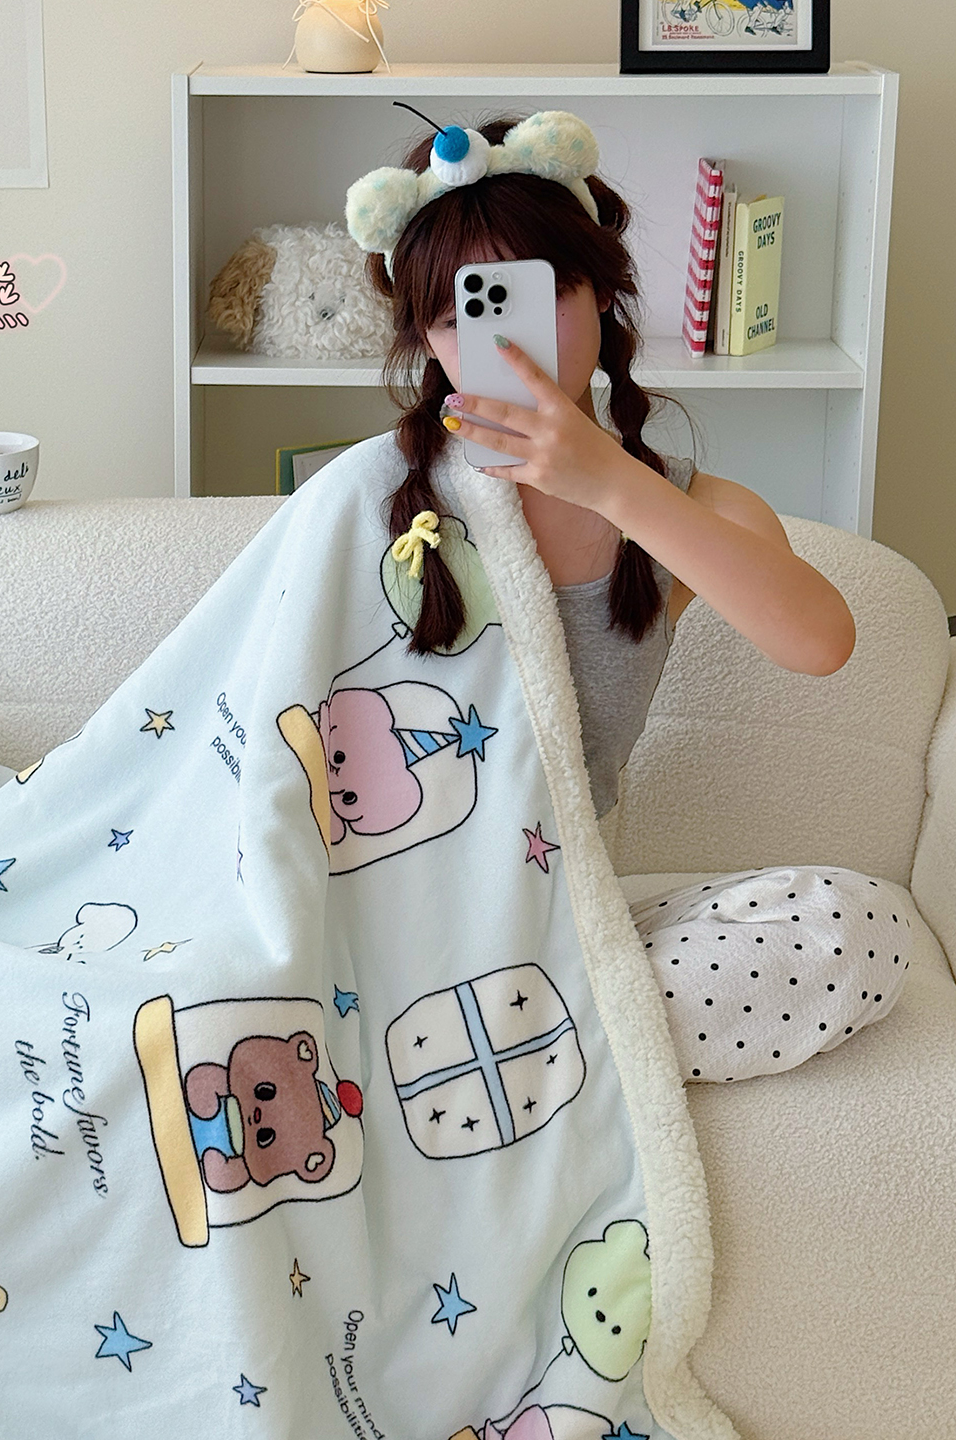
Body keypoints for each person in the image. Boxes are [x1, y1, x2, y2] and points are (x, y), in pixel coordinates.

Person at [346, 110, 917, 1084]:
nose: (503, 335)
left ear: (601, 293)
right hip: (375, 919)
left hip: (559, 930)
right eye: (459, 313)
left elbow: (820, 642)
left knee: (861, 925)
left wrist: (610, 483)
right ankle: (507, 1060)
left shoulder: (682, 510)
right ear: (429, 340)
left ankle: (508, 1058)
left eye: (537, 293)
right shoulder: (373, 498)